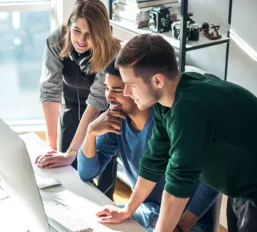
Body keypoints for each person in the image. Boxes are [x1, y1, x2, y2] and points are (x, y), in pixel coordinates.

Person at [95, 33, 257, 232]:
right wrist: (127, 211)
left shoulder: (190, 108)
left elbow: (178, 184)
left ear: (157, 81)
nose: (126, 93)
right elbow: (153, 161)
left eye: (131, 85)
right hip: (240, 190)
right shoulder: (167, 102)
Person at [79, 62, 219, 232]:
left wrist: (182, 225)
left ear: (138, 89)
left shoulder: (172, 121)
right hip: (146, 213)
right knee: (90, 224)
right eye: (107, 88)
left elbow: (213, 178)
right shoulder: (116, 121)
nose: (108, 97)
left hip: (183, 222)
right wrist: (91, 133)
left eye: (116, 90)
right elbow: (87, 172)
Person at [36, 0, 120, 199]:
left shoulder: (111, 52)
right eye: (77, 31)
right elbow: (50, 92)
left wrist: (71, 153)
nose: (81, 40)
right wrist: (52, 148)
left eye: (89, 34)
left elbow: (96, 103)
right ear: (69, 26)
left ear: (100, 34)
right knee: (66, 165)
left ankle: (103, 205)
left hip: (104, 110)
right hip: (72, 102)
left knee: (97, 165)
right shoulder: (56, 41)